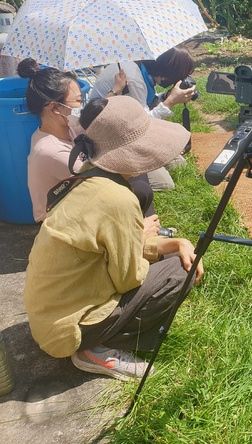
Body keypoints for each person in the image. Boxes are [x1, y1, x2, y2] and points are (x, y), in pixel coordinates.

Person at [24, 95, 203, 381]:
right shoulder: (118, 198)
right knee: (180, 271)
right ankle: (98, 349)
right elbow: (128, 278)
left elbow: (112, 249)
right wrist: (145, 242)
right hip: (70, 331)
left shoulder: (88, 176)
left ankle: (101, 338)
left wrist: (174, 243)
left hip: (50, 317)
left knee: (172, 254)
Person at [20, 58, 155, 223]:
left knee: (137, 176)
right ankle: (144, 232)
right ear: (55, 108)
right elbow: (102, 184)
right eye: (78, 101)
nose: (81, 106)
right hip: (58, 222)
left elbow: (96, 119)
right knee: (138, 187)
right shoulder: (51, 151)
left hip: (76, 201)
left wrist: (115, 90)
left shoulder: (65, 128)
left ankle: (144, 229)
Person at [90, 46, 197, 191]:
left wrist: (165, 96)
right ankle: (116, 180)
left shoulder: (140, 70)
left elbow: (144, 104)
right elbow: (141, 125)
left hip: (126, 129)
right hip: (113, 140)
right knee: (164, 184)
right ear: (169, 72)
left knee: (179, 164)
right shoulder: (132, 79)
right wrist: (169, 102)